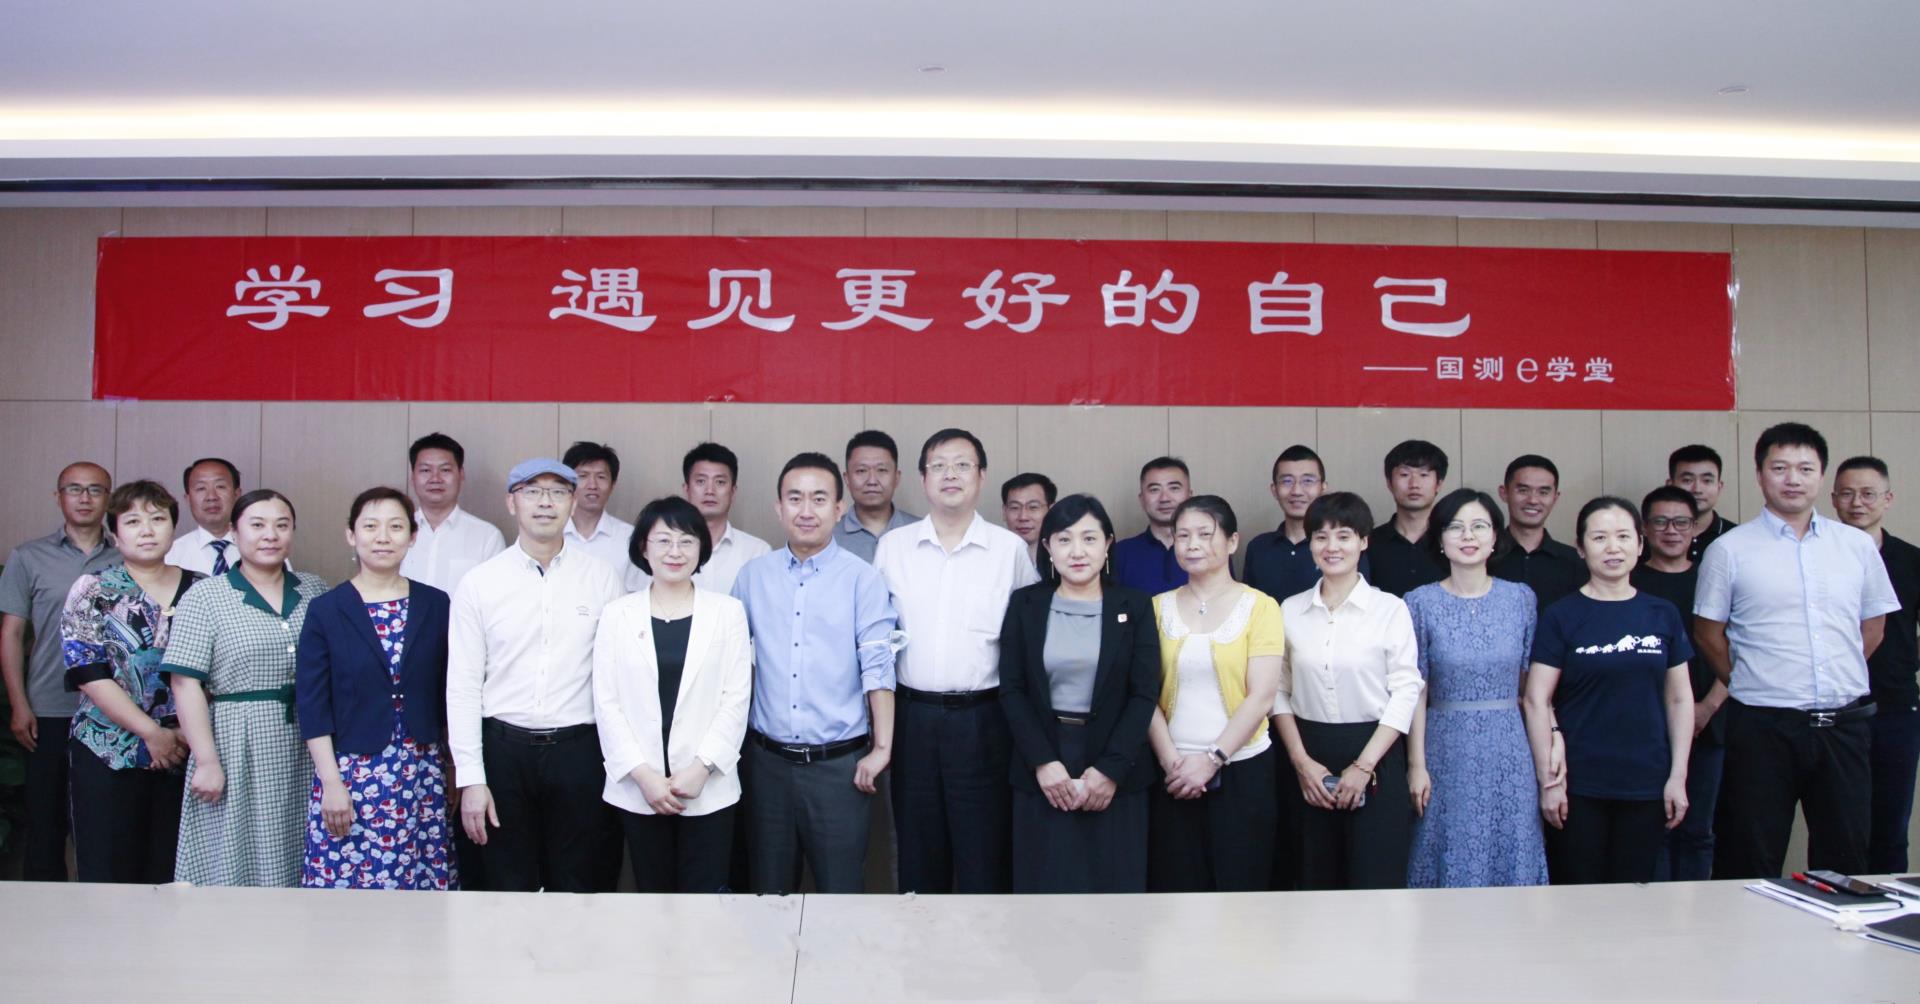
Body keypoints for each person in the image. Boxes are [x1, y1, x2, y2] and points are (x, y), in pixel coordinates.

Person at [1695, 424, 1898, 879]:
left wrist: (1831, 671)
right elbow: (1708, 632)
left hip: (1844, 725)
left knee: (1845, 858)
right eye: (1780, 468)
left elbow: (1874, 626)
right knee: (1749, 854)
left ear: (1822, 476)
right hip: (1762, 727)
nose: (1793, 479)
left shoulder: (1857, 546)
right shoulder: (1729, 550)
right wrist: (1749, 680)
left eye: (1805, 469)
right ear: (1759, 474)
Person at [446, 459, 625, 893]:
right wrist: (471, 777)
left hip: (579, 752)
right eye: (532, 492)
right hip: (503, 752)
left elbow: (618, 678)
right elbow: (463, 686)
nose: (545, 502)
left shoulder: (601, 578)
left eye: (558, 492)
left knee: (580, 884)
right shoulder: (480, 583)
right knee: (504, 884)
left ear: (573, 503)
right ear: (512, 503)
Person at [875, 428, 1038, 893]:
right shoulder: (894, 547)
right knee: (918, 848)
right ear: (923, 478)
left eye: (962, 465)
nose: (951, 474)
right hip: (913, 718)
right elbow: (875, 639)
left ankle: (982, 940)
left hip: (985, 720)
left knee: (983, 851)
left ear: (982, 477)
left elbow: (1027, 642)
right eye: (939, 465)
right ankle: (921, 938)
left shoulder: (1008, 550)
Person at [731, 453, 898, 894]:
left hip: (839, 768)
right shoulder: (753, 576)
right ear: (778, 507)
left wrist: (882, 748)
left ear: (839, 509)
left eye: (819, 499)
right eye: (795, 498)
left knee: (841, 893)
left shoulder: (862, 579)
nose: (806, 510)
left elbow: (878, 666)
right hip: (766, 765)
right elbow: (730, 665)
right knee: (768, 893)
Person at [1524, 497, 1694, 885]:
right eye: (1599, 537)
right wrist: (1549, 782)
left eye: (1623, 536)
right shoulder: (1561, 615)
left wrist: (1678, 776)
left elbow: (1679, 698)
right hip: (1578, 784)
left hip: (1647, 781)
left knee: (1635, 895)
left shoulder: (1662, 613)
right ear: (1581, 548)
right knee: (1578, 894)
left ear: (1640, 543)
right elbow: (1536, 699)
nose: (1612, 547)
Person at [164, 489, 330, 887]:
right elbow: (185, 683)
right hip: (236, 741)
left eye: (281, 525)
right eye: (257, 525)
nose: (270, 535)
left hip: (309, 742)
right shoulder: (206, 596)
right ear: (234, 533)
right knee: (236, 851)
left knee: (302, 844)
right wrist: (206, 760)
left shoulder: (315, 590)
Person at [296, 486, 456, 890]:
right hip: (352, 775)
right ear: (351, 535)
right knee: (350, 892)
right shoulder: (326, 610)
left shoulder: (437, 605)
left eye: (395, 527)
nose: (383, 537)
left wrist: (455, 769)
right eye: (370, 526)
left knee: (419, 886)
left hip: (421, 773)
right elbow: (313, 705)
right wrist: (331, 783)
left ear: (412, 537)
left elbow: (451, 691)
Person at [999, 494, 1161, 893]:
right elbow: (1013, 689)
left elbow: (1143, 694)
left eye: (1089, 539)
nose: (1077, 551)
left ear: (1108, 545)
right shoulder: (1025, 604)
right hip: (1043, 761)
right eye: (1064, 539)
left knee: (1114, 891)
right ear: (1048, 547)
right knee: (1045, 888)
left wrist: (1110, 771)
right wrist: (1042, 762)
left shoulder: (1135, 605)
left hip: (1115, 764)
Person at [592, 496, 752, 893]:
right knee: (653, 898)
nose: (675, 552)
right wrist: (643, 775)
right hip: (639, 788)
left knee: (706, 901)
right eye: (663, 541)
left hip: (708, 787)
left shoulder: (728, 612)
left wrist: (702, 767)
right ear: (643, 549)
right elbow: (607, 703)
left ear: (701, 549)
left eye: (686, 541)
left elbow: (736, 699)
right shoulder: (617, 614)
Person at [1274, 492, 1423, 890]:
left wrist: (1364, 766)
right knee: (1313, 879)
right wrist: (1301, 763)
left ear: (1364, 541)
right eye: (1320, 537)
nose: (1332, 547)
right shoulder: (1289, 610)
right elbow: (1278, 690)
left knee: (1374, 878)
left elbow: (1406, 690)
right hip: (1308, 755)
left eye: (1343, 536)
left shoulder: (1390, 609)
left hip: (1377, 751)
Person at [1403, 488, 1549, 888]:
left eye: (1479, 526)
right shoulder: (1419, 602)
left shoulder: (1520, 598)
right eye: (1455, 527)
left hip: (1509, 746)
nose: (1468, 536)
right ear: (1439, 538)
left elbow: (1531, 688)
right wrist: (1416, 764)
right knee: (1446, 844)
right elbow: (1416, 689)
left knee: (1510, 843)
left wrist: (1551, 741)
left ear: (1495, 536)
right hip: (1445, 746)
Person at [60, 480, 200, 883]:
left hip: (188, 751)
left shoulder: (204, 589)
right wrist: (151, 733)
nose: (147, 530)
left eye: (157, 519)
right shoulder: (93, 589)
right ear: (115, 533)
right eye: (133, 521)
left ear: (173, 527)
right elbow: (88, 673)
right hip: (108, 749)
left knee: (176, 875)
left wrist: (181, 735)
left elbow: (221, 671)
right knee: (110, 873)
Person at [1146, 495, 1282, 892]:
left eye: (1205, 534)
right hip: (1172, 773)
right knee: (1175, 891)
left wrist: (1211, 760)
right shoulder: (1156, 608)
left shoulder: (1261, 607)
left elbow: (1262, 696)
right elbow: (1143, 694)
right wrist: (1172, 763)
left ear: (1232, 541)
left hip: (1243, 768)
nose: (1192, 545)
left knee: (1240, 889)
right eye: (1183, 535)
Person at [0, 460, 117, 881]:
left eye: (95, 490)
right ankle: (43, 913)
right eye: (74, 489)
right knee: (45, 823)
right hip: (48, 709)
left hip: (114, 714)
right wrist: (19, 704)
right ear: (58, 497)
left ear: (108, 499)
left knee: (105, 824)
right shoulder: (28, 557)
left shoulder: (128, 556)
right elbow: (12, 634)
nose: (84, 498)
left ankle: (107, 911)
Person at [1829, 456, 1920, 872]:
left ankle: (1889, 907)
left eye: (1868, 494)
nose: (1857, 503)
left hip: (1895, 706)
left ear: (1888, 498)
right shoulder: (1816, 558)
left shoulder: (1911, 560)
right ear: (1833, 499)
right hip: (1833, 709)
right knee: (1837, 825)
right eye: (1847, 494)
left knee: (1890, 826)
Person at [1633, 485, 1726, 881]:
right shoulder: (1628, 581)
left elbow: (1740, 649)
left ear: (1695, 527)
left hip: (1709, 722)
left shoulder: (1714, 579)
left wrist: (1707, 707)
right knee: (1650, 832)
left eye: (1681, 522)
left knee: (1698, 830)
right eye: (1660, 521)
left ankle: (1693, 912)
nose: (1671, 531)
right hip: (1645, 728)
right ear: (1644, 529)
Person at [1243, 445, 1372, 605]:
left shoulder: (1343, 547)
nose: (1297, 491)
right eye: (1287, 481)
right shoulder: (1258, 547)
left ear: (1323, 487)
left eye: (1308, 481)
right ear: (1274, 489)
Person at [399, 432, 506, 593]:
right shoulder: (395, 533)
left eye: (445, 470)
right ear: (412, 477)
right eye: (425, 470)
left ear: (461, 474)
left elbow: (494, 596)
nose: (435, 478)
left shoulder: (487, 537)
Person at [1490, 455, 1587, 614]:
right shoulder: (1483, 557)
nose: (1533, 500)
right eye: (1523, 490)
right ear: (1504, 493)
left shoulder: (1576, 563)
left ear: (1555, 498)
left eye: (1543, 492)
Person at [683, 442, 772, 593]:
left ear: (733, 492)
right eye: (701, 481)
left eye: (720, 482)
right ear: (686, 489)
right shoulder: (665, 551)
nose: (710, 490)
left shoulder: (758, 552)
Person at [562, 441, 646, 593]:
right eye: (583, 476)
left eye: (601, 477)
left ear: (612, 485)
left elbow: (638, 594)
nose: (592, 485)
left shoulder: (630, 537)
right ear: (568, 483)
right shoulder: (550, 534)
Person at [1367, 440, 1448, 597]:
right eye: (1404, 475)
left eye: (1424, 475)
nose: (1414, 484)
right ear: (1389, 483)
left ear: (1438, 484)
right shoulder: (1368, 543)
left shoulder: (1453, 541)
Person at [834, 430, 919, 563]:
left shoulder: (922, 532)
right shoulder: (827, 536)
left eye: (882, 470)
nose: (872, 481)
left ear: (896, 478)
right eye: (861, 470)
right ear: (847, 479)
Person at [1112, 457, 1192, 596]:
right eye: (1154, 490)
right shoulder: (1120, 553)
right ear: (1142, 499)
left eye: (1174, 488)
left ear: (1189, 496)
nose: (1165, 498)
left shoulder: (1209, 551)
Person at [164, 457, 243, 576]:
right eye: (201, 488)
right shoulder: (170, 556)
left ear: (237, 494)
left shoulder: (261, 548)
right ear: (188, 499)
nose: (211, 497)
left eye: (220, 486)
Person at [1668, 445, 1737, 563]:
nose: (1697, 489)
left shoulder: (1737, 536)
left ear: (1719, 487)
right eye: (1687, 480)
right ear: (1670, 485)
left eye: (1707, 481)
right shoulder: (1655, 536)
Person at [1000, 472, 1057, 568]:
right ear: (1004, 512)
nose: (1023, 517)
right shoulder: (991, 560)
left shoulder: (1064, 562)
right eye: (1015, 507)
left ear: (1051, 510)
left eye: (1033, 507)